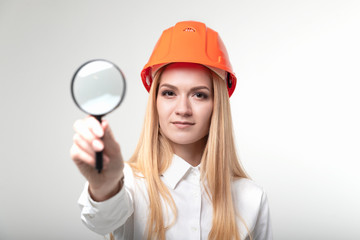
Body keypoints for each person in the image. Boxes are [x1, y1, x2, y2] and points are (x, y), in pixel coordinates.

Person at [71, 21, 272, 240]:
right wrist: (104, 187)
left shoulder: (251, 198)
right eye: (169, 93)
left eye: (199, 95)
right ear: (155, 100)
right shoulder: (127, 183)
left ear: (217, 104)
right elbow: (102, 221)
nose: (183, 110)